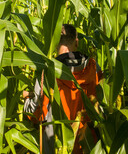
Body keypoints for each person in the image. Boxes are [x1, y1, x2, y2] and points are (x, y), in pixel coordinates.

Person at [23, 24, 102, 153]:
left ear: (55, 44)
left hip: (57, 147)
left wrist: (26, 99)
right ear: (76, 42)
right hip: (88, 146)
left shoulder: (48, 71)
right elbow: (102, 105)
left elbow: (35, 114)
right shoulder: (94, 68)